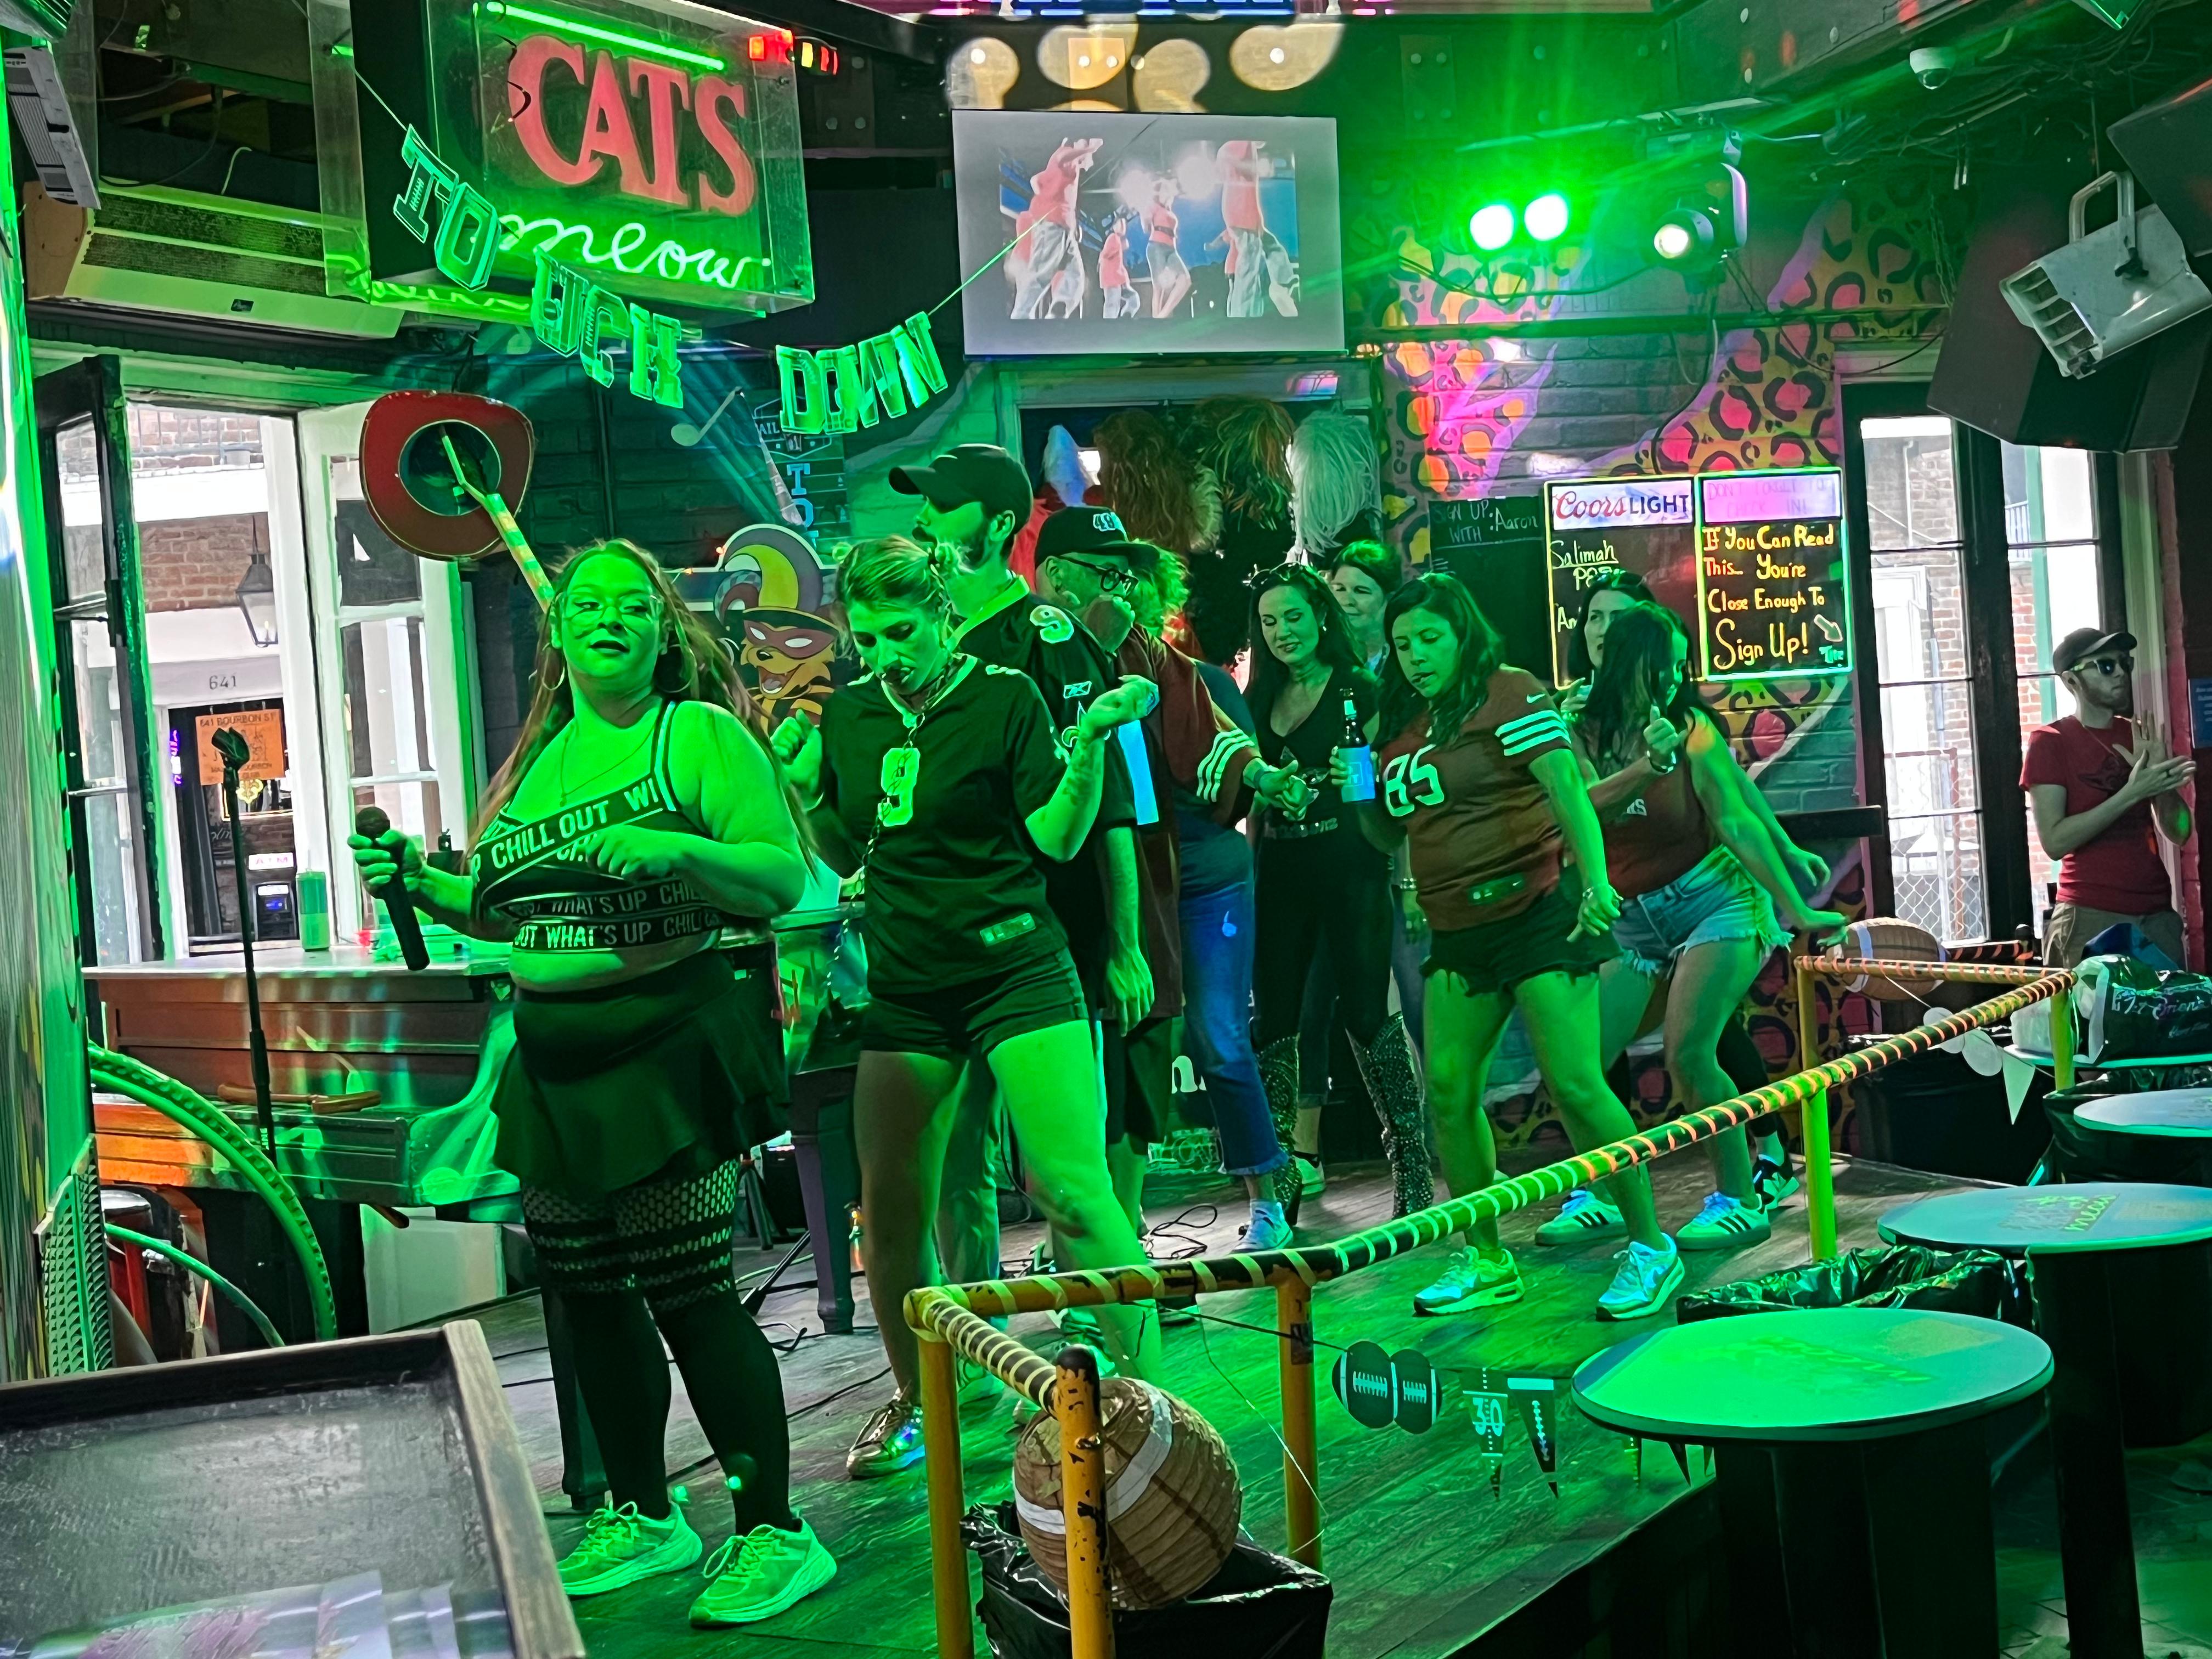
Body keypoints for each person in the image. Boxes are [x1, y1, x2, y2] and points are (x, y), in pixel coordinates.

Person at [351, 541, 834, 1626]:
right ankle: (644, 1512)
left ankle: (774, 1532)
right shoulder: (535, 766)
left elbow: (780, 874)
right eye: (586, 604)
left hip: (666, 1040)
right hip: (553, 1055)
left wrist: (675, 850)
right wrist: (419, 884)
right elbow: (500, 906)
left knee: (687, 1287)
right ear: (556, 634)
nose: (608, 616)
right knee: (586, 1292)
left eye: (633, 603)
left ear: (666, 632)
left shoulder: (695, 735)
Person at [776, 539, 1163, 1480]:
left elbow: (1057, 837)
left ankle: (1157, 1406)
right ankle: (922, 1397)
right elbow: (846, 843)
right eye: (865, 635)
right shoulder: (857, 711)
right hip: (909, 986)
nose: (883, 652)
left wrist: (1090, 745)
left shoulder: (1003, 694)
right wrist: (805, 784)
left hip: (1015, 966)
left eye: (901, 629)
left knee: (1071, 1187)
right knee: (894, 1209)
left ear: (944, 616)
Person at [1348, 571, 1683, 1321]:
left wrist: (1595, 883)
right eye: (1403, 644)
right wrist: (1354, 787)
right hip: (1458, 930)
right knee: (1447, 1091)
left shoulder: (1510, 690)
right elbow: (1385, 830)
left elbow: (1567, 791)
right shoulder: (1400, 715)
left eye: (1430, 638)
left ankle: (1651, 1246)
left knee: (1575, 1084)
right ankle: (1486, 1254)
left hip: (1538, 913)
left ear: (1462, 632)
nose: (1415, 655)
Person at [891, 447, 1151, 1322]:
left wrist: (1122, 946)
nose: (927, 522)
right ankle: (974, 1354)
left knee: (1068, 1175)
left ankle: (1121, 1364)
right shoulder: (914, 647)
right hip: (941, 951)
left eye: (945, 506)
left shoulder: (1049, 638)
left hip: (1050, 944)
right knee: (958, 1163)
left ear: (1000, 524)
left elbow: (1111, 807)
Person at [1033, 507, 1313, 1247]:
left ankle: (1266, 1196)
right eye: (1109, 575)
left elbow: (1218, 742)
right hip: (1119, 887)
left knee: (1216, 1037)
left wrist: (1264, 778)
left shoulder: (1159, 662)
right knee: (1114, 1052)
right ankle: (1109, 1234)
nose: (1124, 591)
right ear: (1058, 579)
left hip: (1202, 877)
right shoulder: (1037, 658)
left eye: (1133, 577)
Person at [1561, 602, 1847, 1251]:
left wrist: (1796, 910)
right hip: (1633, 919)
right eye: (1664, 667)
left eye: (1677, 669)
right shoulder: (1579, 730)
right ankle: (1604, 1191)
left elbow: (1735, 818)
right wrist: (1645, 770)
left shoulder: (1689, 727)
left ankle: (1738, 1200)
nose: (1673, 680)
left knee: (1689, 1053)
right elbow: (1576, 806)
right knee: (1580, 1065)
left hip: (1713, 901)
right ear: (1637, 666)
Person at [1247, 563, 1429, 1224]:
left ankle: (1409, 1166)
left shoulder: (1360, 688)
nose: (1283, 633)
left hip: (1352, 863)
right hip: (1283, 871)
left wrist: (1405, 879)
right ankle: (1277, 1187)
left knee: (1364, 1014)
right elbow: (1250, 799)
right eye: (1269, 623)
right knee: (1275, 1022)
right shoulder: (1257, 695)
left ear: (1321, 616)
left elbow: (1390, 787)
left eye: (1293, 617)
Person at [2026, 627, 2194, 968]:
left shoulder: (2135, 733)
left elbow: (2180, 830)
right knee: (2095, 1021)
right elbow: (2055, 842)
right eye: (2105, 666)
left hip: (2156, 914)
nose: (2120, 673)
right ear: (2072, 681)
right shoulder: (2050, 741)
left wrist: (2161, 782)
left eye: (2124, 663)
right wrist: (2132, 792)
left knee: (2170, 1020)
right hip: (2091, 913)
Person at [1010, 137, 1101, 320]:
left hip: (1064, 230)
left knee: (1075, 276)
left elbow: (1036, 179)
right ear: (1077, 145)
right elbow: (1063, 158)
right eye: (1084, 146)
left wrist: (1046, 196)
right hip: (1052, 227)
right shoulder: (1065, 155)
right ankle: (1020, 317)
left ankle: (1057, 311)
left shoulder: (1061, 170)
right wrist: (1089, 149)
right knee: (1040, 277)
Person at [1146, 179, 1191, 318]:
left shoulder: (1168, 210)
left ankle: (1162, 316)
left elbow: (1176, 190)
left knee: (1185, 280)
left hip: (1171, 249)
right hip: (1157, 246)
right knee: (1159, 288)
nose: (1167, 193)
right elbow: (1146, 224)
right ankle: (1156, 320)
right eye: (1164, 190)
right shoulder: (1153, 206)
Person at [1098, 215, 1138, 319]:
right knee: (1112, 304)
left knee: (1133, 299)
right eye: (1120, 224)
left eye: (1124, 224)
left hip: (1119, 279)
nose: (1123, 227)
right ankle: (1109, 326)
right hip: (1113, 279)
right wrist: (1119, 247)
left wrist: (1121, 247)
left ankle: (1126, 317)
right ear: (1114, 226)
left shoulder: (1116, 240)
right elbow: (1105, 255)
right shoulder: (1113, 238)